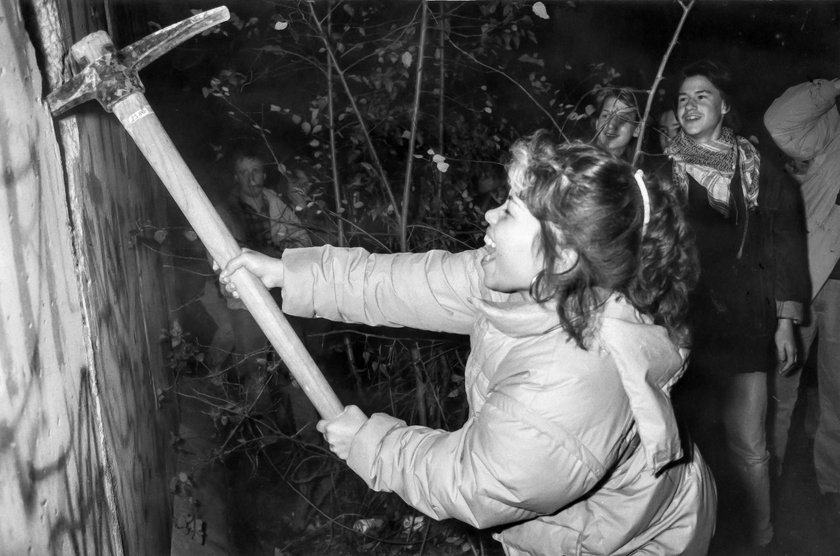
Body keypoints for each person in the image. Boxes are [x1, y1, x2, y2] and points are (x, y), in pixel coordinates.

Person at [220, 132, 717, 555]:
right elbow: (407, 284)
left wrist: (373, 444)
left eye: (510, 211)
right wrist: (288, 274)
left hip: (634, 542)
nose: (488, 215)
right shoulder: (531, 281)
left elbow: (476, 482)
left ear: (561, 254)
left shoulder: (577, 374)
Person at [666, 60, 810, 550]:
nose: (690, 106)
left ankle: (759, 536)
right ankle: (699, 537)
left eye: (702, 96)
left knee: (749, 447)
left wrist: (787, 320)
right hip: (682, 327)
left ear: (724, 107)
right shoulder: (660, 170)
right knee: (687, 444)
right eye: (683, 98)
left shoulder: (759, 170)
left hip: (746, 324)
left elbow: (786, 244)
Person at [764, 77, 840, 517]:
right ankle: (765, 473)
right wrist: (833, 86)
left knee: (837, 393)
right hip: (806, 277)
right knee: (782, 383)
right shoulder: (829, 126)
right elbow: (778, 122)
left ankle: (831, 489)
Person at [201, 143, 312, 407]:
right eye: (244, 172)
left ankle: (299, 436)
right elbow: (219, 258)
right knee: (254, 370)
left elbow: (302, 239)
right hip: (246, 301)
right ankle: (262, 438)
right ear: (236, 177)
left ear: (264, 174)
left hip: (282, 296)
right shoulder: (225, 212)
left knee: (295, 366)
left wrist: (284, 256)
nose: (252, 179)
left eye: (256, 171)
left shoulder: (276, 204)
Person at [592, 87, 643, 162]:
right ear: (597, 123)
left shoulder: (636, 172)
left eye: (623, 118)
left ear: (637, 129)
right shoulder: (577, 162)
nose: (611, 125)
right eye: (605, 116)